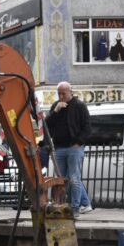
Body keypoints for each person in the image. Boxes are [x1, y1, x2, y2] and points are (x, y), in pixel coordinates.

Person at [43, 81, 93, 215]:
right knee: (61, 179)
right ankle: (65, 205)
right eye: (58, 93)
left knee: (74, 178)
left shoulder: (79, 106)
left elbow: (87, 127)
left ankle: (75, 208)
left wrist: (79, 142)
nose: (61, 96)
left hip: (74, 147)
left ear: (70, 92)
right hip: (59, 148)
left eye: (63, 93)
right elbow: (46, 125)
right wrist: (55, 111)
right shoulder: (56, 106)